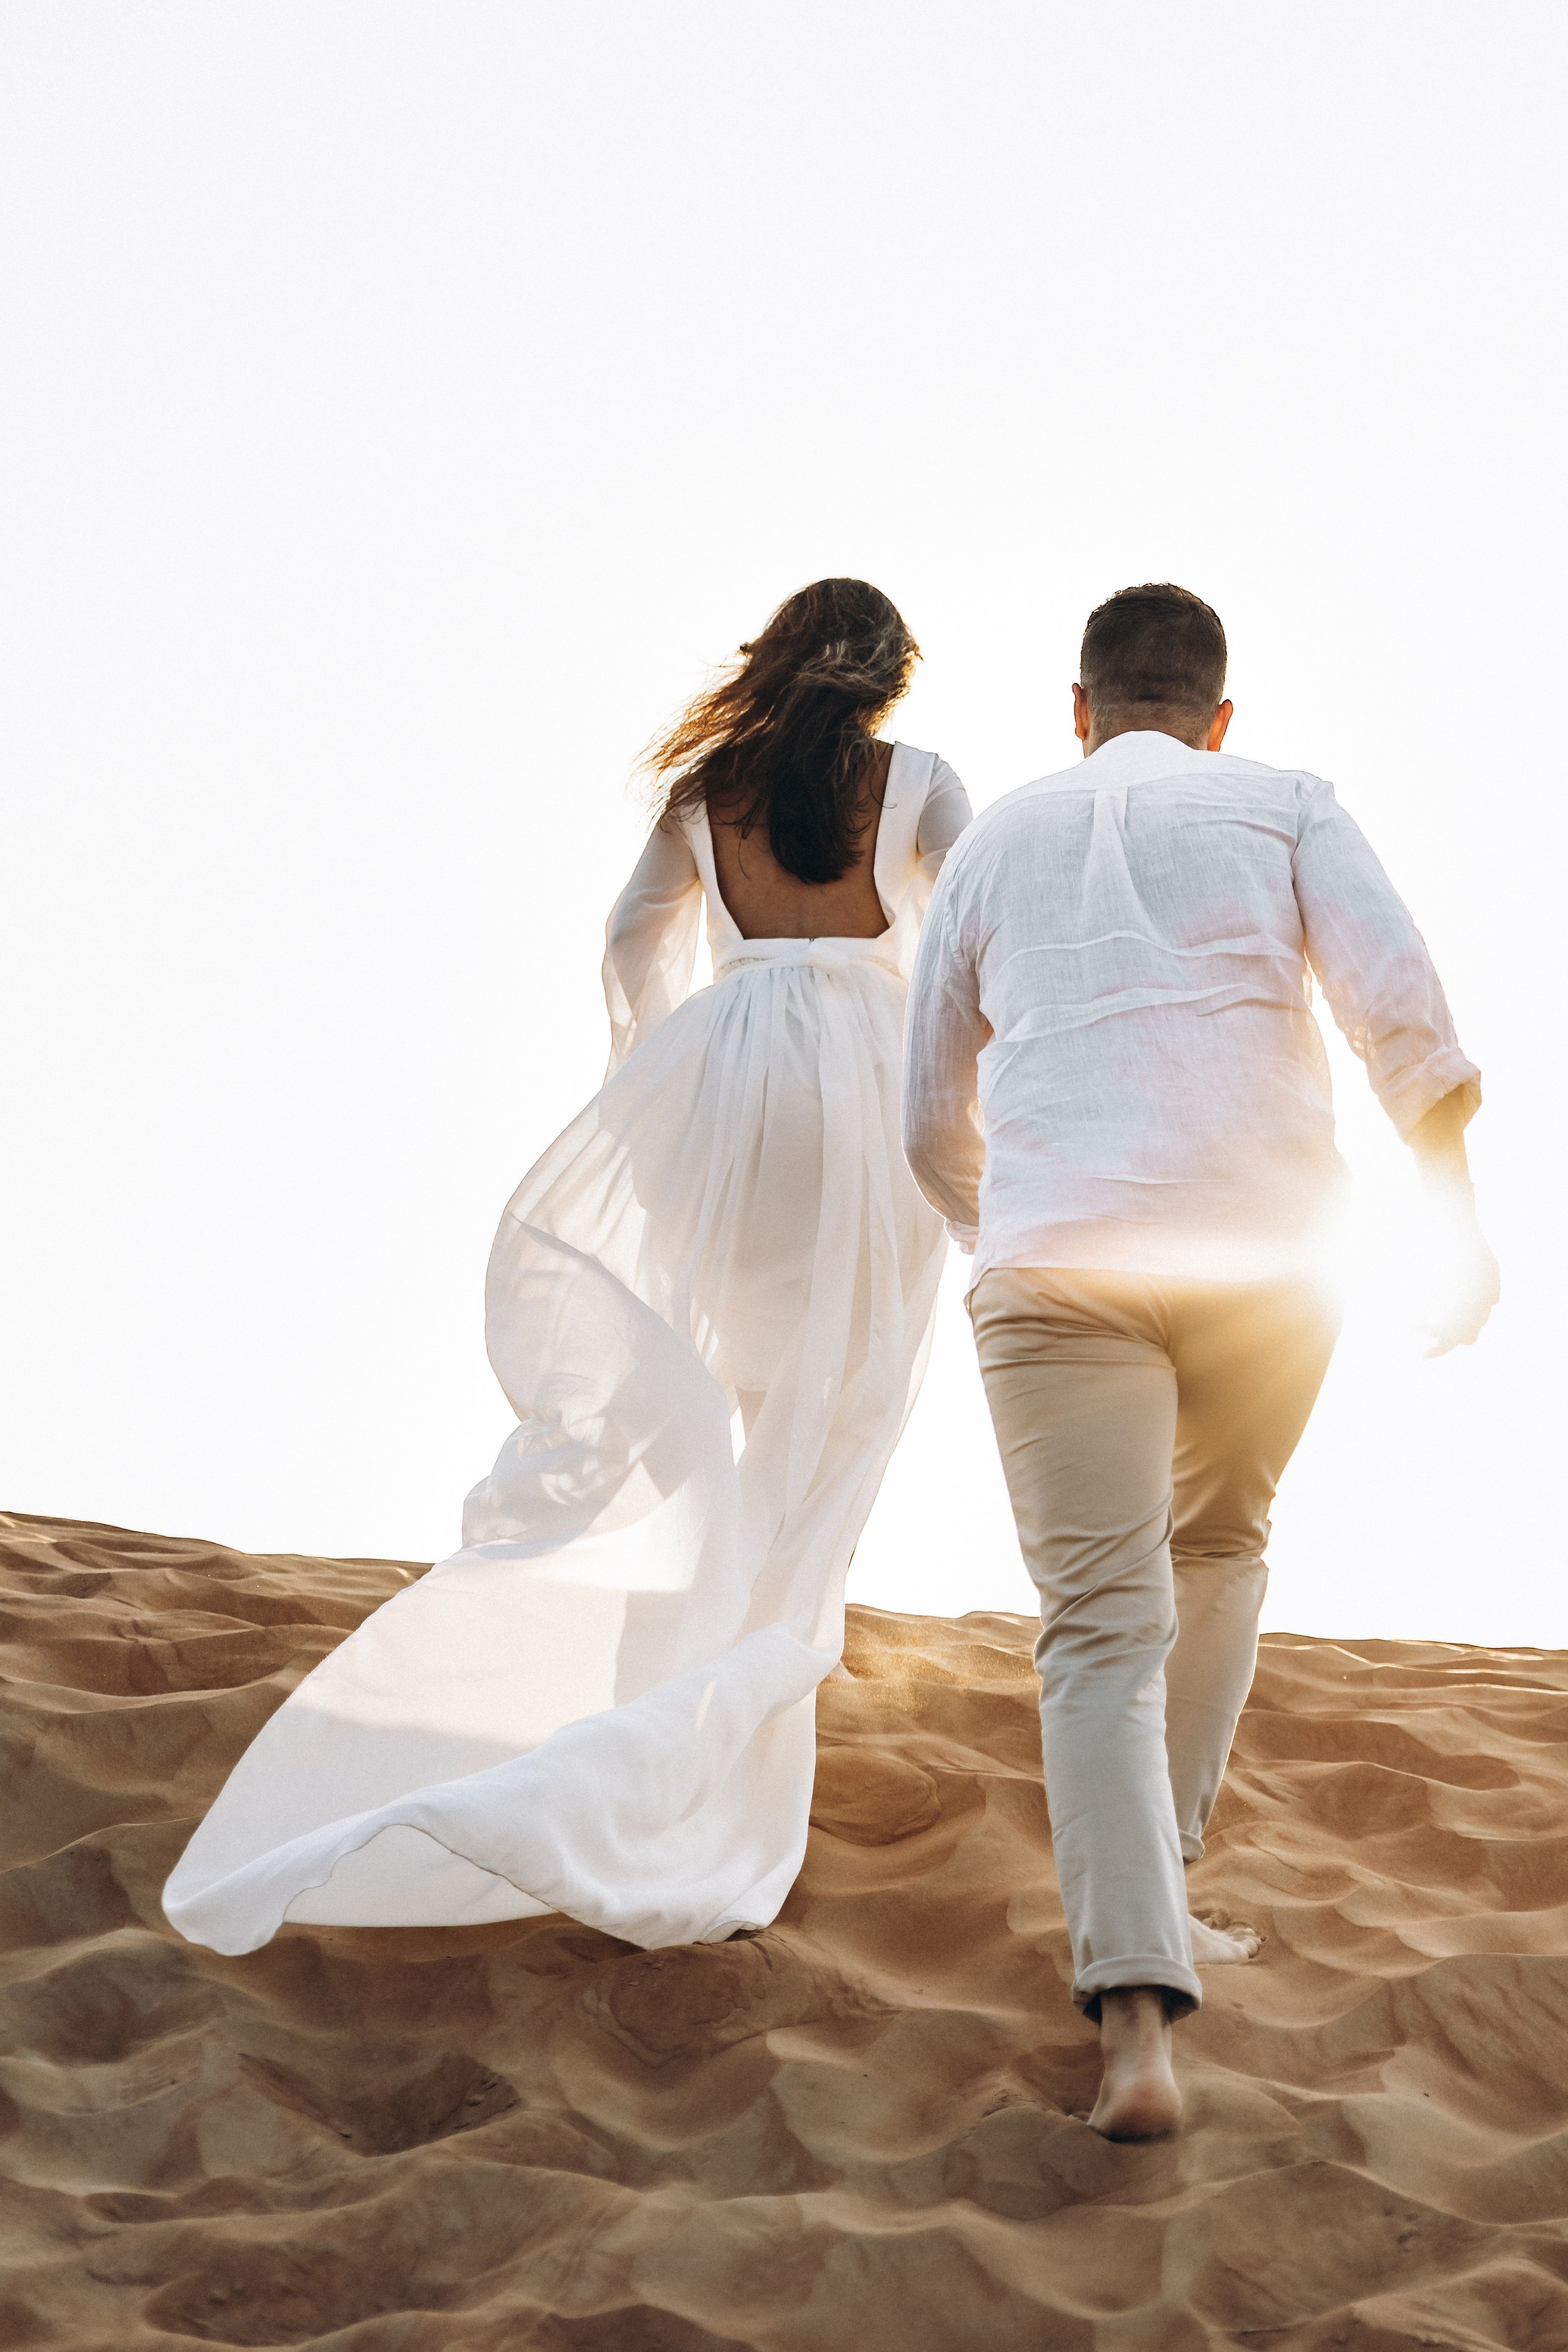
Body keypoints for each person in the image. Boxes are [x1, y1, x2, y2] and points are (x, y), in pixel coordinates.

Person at [167, 579, 970, 1957]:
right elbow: (967, 941)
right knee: (842, 1397)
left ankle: (678, 1644)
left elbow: (626, 943)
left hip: (726, 1080)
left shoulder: (710, 789)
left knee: (720, 1379)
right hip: (860, 1082)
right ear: (890, 680)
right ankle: (744, 1680)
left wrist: (658, 1076)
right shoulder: (922, 783)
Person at [903, 582, 1495, 2140]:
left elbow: (924, 1116)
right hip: (1263, 1260)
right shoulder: (1286, 802)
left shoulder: (994, 842)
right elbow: (1396, 1008)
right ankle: (1158, 1879)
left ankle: (1137, 2017)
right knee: (1221, 1541)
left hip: (1055, 1263)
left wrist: (1019, 1235)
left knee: (1096, 1629)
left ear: (1078, 710)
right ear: (1215, 715)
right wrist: (1454, 1220)